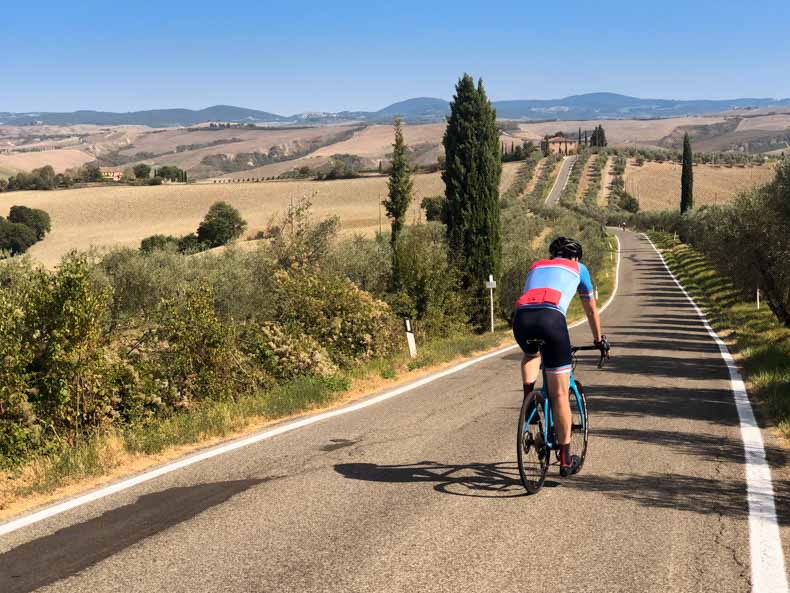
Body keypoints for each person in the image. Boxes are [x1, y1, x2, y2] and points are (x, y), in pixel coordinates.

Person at [512, 237, 609, 477]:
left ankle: (529, 399)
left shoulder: (536, 265)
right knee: (559, 394)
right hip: (551, 320)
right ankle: (565, 460)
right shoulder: (579, 268)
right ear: (575, 257)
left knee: (532, 353)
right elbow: (590, 308)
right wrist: (599, 340)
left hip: (522, 318)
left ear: (553, 255)